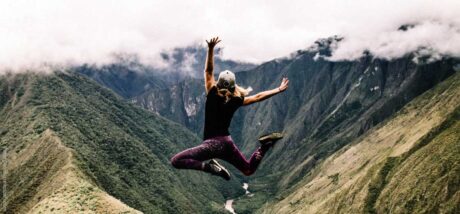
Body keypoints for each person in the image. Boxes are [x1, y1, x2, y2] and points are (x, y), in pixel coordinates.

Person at [170, 37, 289, 180]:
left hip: (212, 145)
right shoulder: (237, 100)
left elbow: (208, 71)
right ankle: (264, 146)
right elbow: (258, 97)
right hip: (227, 143)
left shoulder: (212, 93)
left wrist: (211, 49)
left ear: (218, 83)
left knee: (176, 161)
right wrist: (278, 89)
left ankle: (210, 168)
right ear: (234, 86)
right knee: (248, 169)